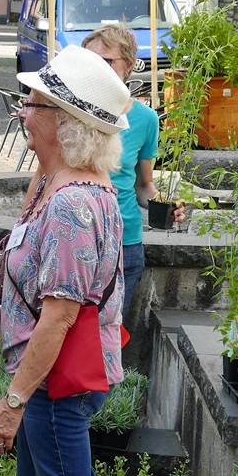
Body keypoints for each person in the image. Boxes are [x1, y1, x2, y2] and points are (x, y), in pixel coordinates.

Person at [0, 45, 131, 476]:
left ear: (64, 122)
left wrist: (12, 402)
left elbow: (59, 317)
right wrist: (46, 164)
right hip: (43, 380)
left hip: (53, 384)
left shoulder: (72, 206)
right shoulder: (63, 185)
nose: (21, 112)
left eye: (32, 103)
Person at [82, 26, 159, 323]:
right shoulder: (69, 111)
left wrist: (164, 203)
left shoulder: (145, 119)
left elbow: (143, 185)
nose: (97, 69)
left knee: (108, 339)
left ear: (128, 65)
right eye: (90, 61)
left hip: (124, 242)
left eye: (107, 61)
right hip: (76, 237)